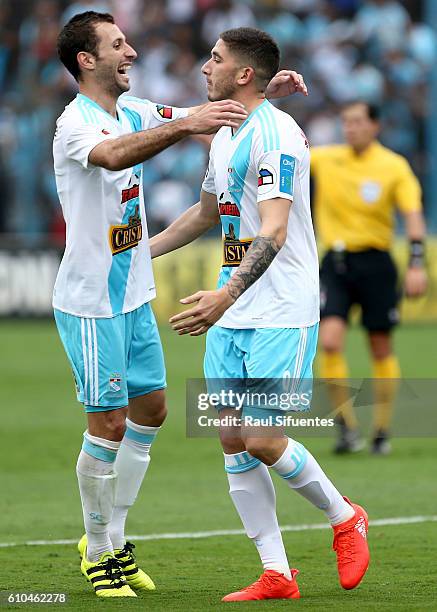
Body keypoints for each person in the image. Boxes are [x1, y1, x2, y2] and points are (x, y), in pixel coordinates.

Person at [53, 11, 307, 598]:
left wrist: (260, 91)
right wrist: (191, 119)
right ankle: (97, 551)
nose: (132, 53)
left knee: (153, 412)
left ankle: (113, 538)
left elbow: (208, 117)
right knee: (109, 423)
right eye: (118, 45)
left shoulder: (134, 109)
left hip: (134, 295)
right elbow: (116, 156)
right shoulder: (76, 124)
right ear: (87, 61)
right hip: (92, 303)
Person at [150, 27, 370, 602]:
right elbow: (204, 215)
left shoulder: (275, 136)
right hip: (233, 307)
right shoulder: (227, 130)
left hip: (279, 307)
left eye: (216, 59)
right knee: (231, 437)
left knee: (263, 436)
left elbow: (272, 230)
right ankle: (278, 572)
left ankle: (345, 516)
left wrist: (224, 296)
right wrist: (134, 256)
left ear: (242, 74)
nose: (204, 66)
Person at [311, 101, 427, 454]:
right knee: (329, 342)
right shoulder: (326, 158)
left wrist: (417, 262)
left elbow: (413, 214)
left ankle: (381, 429)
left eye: (358, 122)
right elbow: (276, 151)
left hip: (377, 263)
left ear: (375, 126)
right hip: (337, 262)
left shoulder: (393, 166)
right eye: (346, 122)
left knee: (380, 346)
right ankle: (346, 426)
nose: (351, 128)